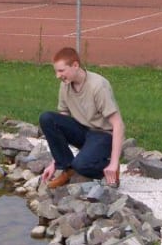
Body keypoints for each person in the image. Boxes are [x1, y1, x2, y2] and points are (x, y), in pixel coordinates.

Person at [39, 47, 125, 189]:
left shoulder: (98, 86)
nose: (57, 76)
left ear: (75, 65)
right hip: (84, 131)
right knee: (47, 118)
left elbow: (118, 124)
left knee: (81, 165)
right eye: (56, 71)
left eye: (61, 71)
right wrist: (55, 162)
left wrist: (114, 162)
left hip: (103, 135)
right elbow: (62, 120)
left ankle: (108, 169)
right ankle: (67, 169)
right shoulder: (65, 85)